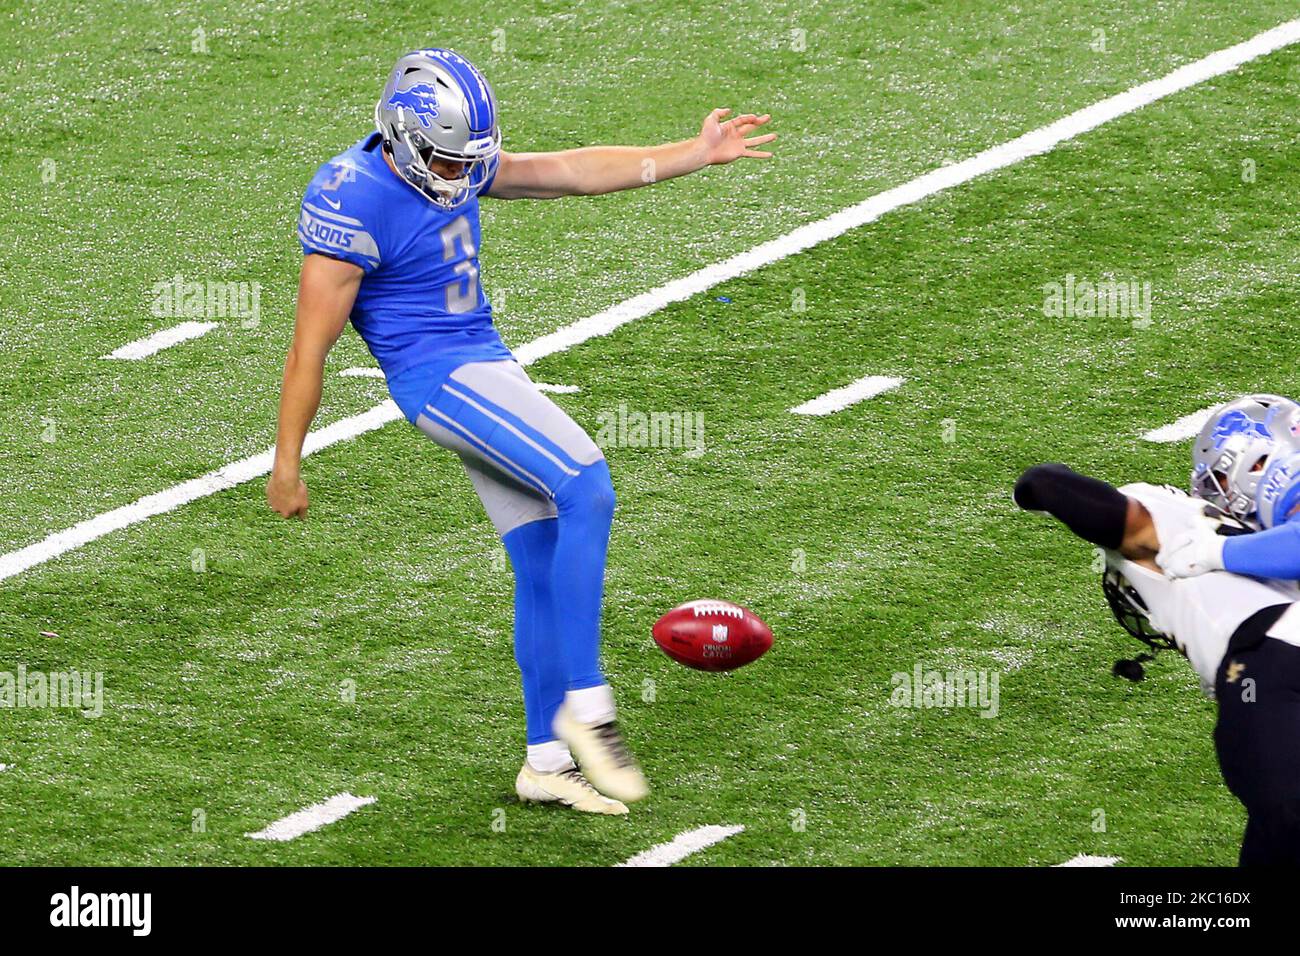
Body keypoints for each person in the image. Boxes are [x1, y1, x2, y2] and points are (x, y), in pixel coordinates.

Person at [266, 48, 775, 815]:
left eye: (468, 158)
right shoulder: (352, 199)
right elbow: (311, 347)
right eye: (443, 157)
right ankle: (589, 706)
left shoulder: (454, 160)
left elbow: (566, 171)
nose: (458, 175)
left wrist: (692, 155)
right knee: (587, 485)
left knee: (539, 557)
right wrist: (287, 463)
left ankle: (544, 763)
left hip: (485, 364)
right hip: (436, 378)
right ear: (402, 136)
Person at [1014, 458, 1300, 865]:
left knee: (1284, 819)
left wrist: (1030, 492)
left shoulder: (1170, 516)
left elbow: (1047, 485)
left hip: (1266, 661)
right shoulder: (1267, 541)